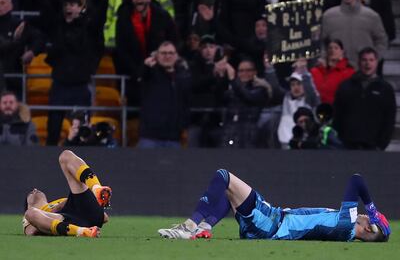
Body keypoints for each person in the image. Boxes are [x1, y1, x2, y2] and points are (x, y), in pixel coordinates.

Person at [158, 170, 391, 242]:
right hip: (271, 225)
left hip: (271, 223)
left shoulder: (347, 224)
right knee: (232, 195)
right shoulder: (345, 230)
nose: (366, 214)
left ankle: (189, 227)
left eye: (371, 218)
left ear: (369, 228)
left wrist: (371, 208)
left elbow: (357, 180)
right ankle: (204, 228)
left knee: (223, 177)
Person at [36, 0, 108, 145]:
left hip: (80, 85)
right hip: (60, 84)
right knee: (53, 127)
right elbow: (46, 6)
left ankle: (80, 162)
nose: (69, 8)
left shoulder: (88, 28)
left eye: (73, 5)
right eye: (66, 5)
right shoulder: (56, 26)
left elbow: (100, 19)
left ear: (81, 8)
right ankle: (49, 159)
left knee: (82, 129)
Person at [23, 150, 112, 237]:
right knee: (30, 214)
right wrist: (56, 208)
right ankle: (82, 231)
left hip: (82, 209)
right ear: (28, 204)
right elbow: (31, 231)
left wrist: (95, 206)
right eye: (31, 193)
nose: (35, 190)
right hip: (67, 221)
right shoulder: (29, 215)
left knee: (65, 156)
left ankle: (97, 189)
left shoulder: (58, 201)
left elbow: (104, 217)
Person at [115, 0, 179, 107]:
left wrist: (159, 59)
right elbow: (121, 51)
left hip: (160, 75)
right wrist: (139, 71)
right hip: (133, 78)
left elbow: (173, 42)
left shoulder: (163, 16)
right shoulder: (123, 18)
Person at [333, 47, 396, 150]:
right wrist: (341, 140)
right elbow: (337, 114)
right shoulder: (345, 86)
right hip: (347, 145)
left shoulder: (386, 89)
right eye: (364, 60)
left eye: (371, 60)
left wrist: (381, 144)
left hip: (373, 146)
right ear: (359, 62)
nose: (368, 63)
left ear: (376, 62)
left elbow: (389, 119)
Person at [136, 41, 191, 148]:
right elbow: (142, 76)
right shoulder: (150, 73)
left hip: (174, 138)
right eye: (163, 53)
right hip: (150, 138)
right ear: (157, 55)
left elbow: (186, 102)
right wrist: (146, 66)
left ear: (176, 56)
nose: (167, 56)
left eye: (171, 53)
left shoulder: (183, 76)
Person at [322, 0, 388, 69]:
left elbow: (381, 42)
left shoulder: (372, 17)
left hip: (363, 73)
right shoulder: (329, 16)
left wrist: (372, 60)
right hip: (336, 71)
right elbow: (321, 42)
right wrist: (324, 59)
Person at [0, 0, 44, 98]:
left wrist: (32, 52)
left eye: (2, 3)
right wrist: (15, 40)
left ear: (11, 6)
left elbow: (40, 39)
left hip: (14, 78)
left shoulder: (19, 25)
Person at [277, 58, 320, 148]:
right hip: (286, 145)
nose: (296, 87)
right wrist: (269, 69)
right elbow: (274, 87)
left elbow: (311, 90)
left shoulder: (310, 100)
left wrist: (304, 72)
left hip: (305, 145)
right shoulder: (286, 98)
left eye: (299, 84)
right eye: (293, 84)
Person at [310, 39, 355, 105]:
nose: (332, 50)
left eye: (336, 48)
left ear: (342, 51)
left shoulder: (349, 72)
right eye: (330, 48)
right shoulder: (316, 71)